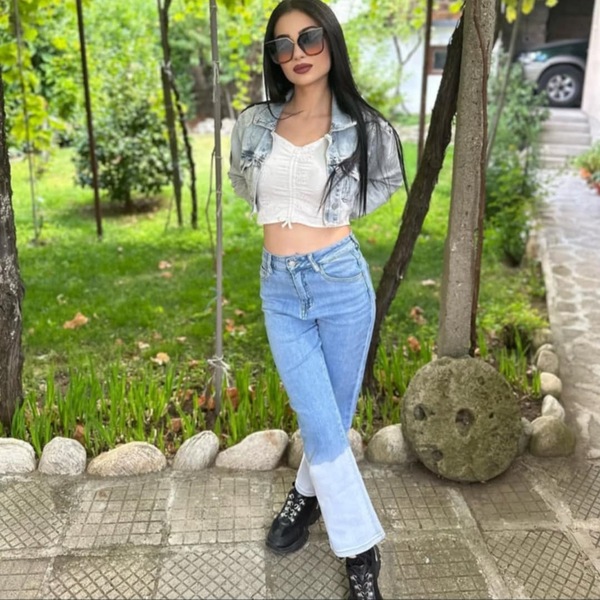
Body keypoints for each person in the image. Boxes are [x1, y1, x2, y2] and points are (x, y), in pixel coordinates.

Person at [228, 1, 406, 598]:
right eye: (282, 45)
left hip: (340, 281)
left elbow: (382, 182)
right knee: (321, 419)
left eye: (308, 38)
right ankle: (361, 547)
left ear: (330, 39)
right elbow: (244, 183)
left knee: (329, 421)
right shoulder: (255, 123)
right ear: (274, 58)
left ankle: (309, 501)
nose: (297, 53)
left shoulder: (365, 127)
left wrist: (331, 216)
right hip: (279, 287)